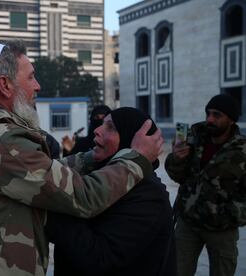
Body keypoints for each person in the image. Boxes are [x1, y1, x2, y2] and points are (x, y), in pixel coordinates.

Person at [0, 40, 163, 276]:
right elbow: (84, 196)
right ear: (5, 85)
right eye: (31, 77)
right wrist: (137, 158)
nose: (38, 86)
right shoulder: (3, 140)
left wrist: (90, 158)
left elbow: (41, 171)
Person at [46, 107, 176, 276]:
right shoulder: (97, 174)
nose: (97, 130)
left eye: (111, 127)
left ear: (131, 142)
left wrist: (54, 203)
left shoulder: (149, 196)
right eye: (100, 124)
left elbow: (98, 258)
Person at [165, 94, 246, 276]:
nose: (209, 119)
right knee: (176, 271)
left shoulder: (242, 150)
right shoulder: (194, 138)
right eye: (208, 113)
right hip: (188, 223)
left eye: (217, 115)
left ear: (231, 120)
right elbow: (178, 176)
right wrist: (176, 158)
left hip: (222, 230)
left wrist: (229, 215)